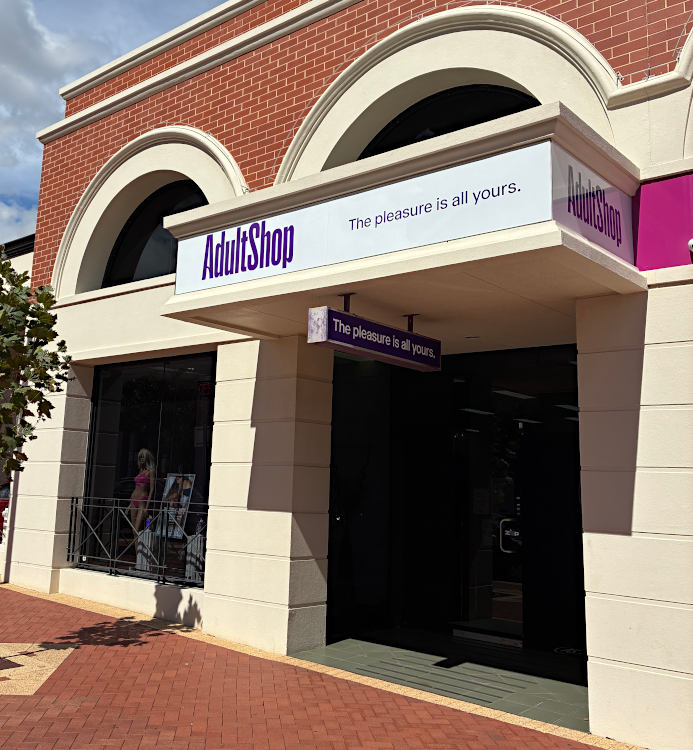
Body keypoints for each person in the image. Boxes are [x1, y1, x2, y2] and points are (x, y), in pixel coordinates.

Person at [128, 449, 155, 532]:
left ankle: (140, 541)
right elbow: (136, 488)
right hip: (133, 500)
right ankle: (136, 541)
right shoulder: (140, 471)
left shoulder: (151, 471)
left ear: (147, 458)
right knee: (133, 530)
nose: (141, 459)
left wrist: (147, 507)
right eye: (140, 457)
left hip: (142, 501)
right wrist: (129, 505)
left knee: (136, 529)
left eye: (143, 457)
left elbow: (152, 489)